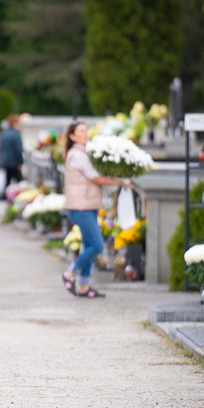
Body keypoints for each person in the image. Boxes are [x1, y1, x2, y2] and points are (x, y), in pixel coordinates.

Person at [60, 121, 132, 298]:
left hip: (87, 205)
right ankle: (70, 273)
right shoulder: (78, 155)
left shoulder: (82, 153)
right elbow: (96, 178)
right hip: (81, 207)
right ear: (72, 136)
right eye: (81, 131)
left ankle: (84, 286)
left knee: (88, 245)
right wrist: (120, 182)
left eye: (86, 130)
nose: (86, 134)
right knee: (98, 245)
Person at [0, 113, 24, 192]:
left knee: (8, 180)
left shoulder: (4, 133)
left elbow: (0, 148)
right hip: (14, 162)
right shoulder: (15, 134)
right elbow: (18, 149)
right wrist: (21, 162)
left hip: (5, 161)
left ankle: (5, 196)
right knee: (20, 181)